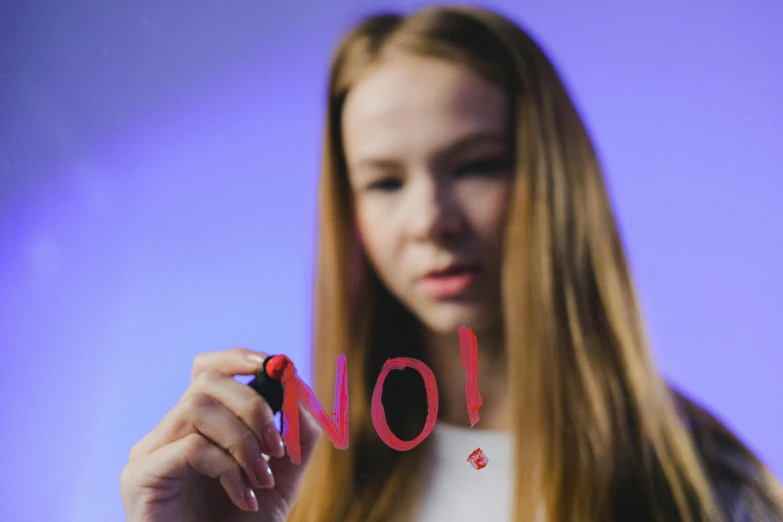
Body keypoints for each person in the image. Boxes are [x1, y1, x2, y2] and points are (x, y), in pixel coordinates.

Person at [120, 5, 783, 522]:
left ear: (557, 183)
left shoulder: (708, 489)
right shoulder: (287, 483)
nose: (430, 220)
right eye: (383, 182)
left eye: (474, 166)